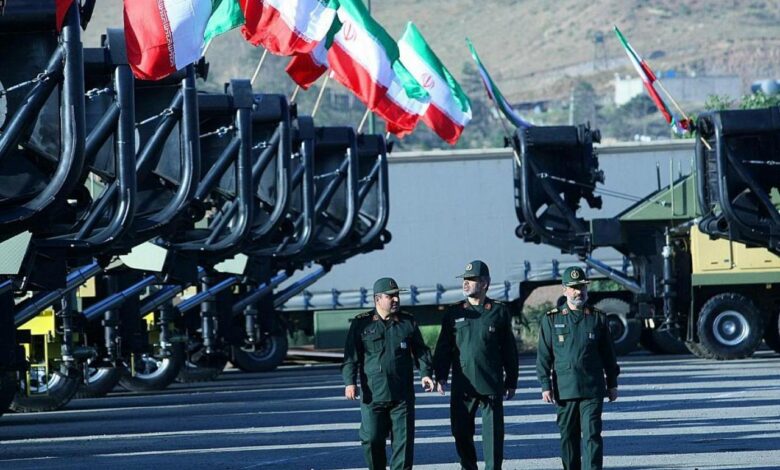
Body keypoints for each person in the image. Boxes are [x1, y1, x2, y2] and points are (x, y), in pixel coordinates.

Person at [342, 277, 435, 470]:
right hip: (373, 394)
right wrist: (349, 382)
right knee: (371, 438)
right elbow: (351, 355)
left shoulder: (407, 322)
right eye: (390, 296)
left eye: (397, 295)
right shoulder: (362, 323)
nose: (396, 299)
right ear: (377, 299)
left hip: (402, 394)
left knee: (403, 443)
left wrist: (425, 373)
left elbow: (421, 350)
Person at [433, 260, 519, 470]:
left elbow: (509, 350)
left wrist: (511, 380)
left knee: (493, 435)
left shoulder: (498, 311)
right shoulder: (454, 313)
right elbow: (443, 347)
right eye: (465, 279)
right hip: (463, 384)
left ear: (484, 283)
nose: (466, 283)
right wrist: (440, 376)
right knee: (461, 432)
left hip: (491, 382)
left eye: (471, 279)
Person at [536, 266, 620, 470]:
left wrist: (612, 383)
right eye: (574, 288)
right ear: (564, 289)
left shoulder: (598, 317)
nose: (578, 292)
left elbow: (609, 355)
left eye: (582, 287)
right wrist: (545, 385)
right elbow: (544, 355)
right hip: (565, 388)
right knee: (568, 436)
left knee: (592, 434)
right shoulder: (552, 319)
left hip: (592, 387)